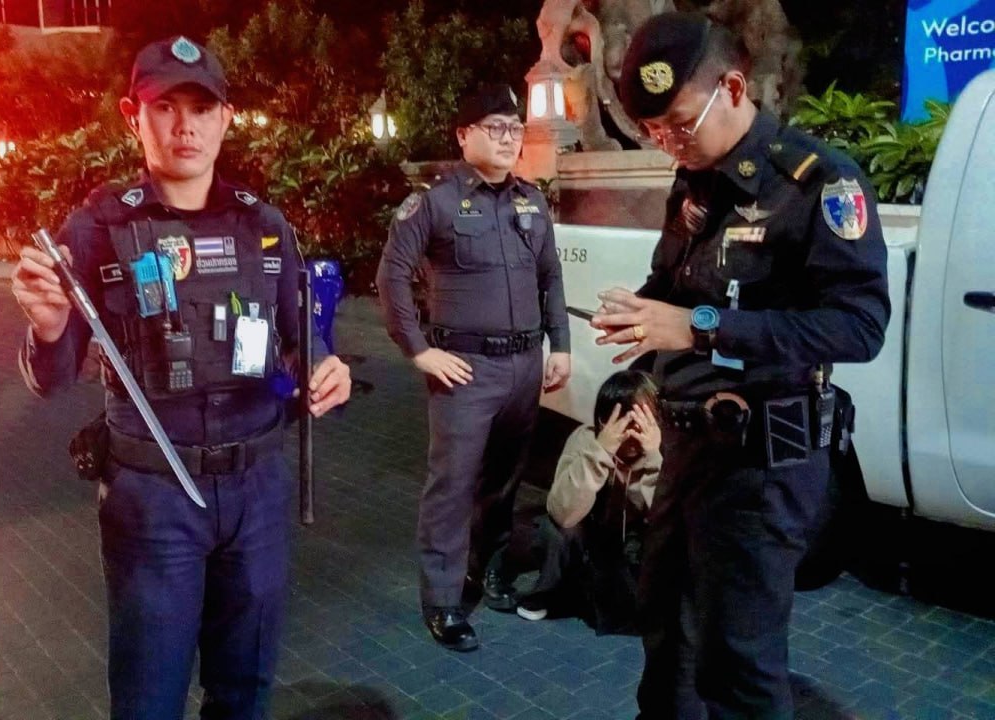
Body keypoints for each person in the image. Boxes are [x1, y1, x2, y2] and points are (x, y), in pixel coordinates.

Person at [10, 36, 352, 720]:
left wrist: (324, 368)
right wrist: (47, 327)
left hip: (257, 492)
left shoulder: (264, 224)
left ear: (227, 118)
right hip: (153, 499)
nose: (185, 126)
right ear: (132, 116)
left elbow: (300, 339)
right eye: (165, 107)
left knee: (244, 693)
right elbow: (51, 377)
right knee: (148, 699)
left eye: (201, 108)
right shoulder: (99, 227)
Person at [592, 12, 890, 719]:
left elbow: (859, 326)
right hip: (688, 448)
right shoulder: (694, 183)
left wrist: (698, 328)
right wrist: (641, 310)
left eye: (679, 125)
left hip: (761, 464)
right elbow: (676, 283)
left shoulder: (816, 183)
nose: (667, 143)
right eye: (652, 130)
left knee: (739, 666)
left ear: (731, 88)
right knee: (666, 634)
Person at [376, 83, 572, 652]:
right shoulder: (434, 204)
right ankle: (442, 600)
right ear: (464, 135)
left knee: (505, 482)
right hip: (465, 372)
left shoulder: (531, 201)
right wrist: (419, 350)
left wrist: (560, 345)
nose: (509, 139)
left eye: (515, 128)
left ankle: (488, 570)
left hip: (524, 368)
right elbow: (391, 276)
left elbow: (551, 276)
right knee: (453, 485)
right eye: (495, 127)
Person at [515, 370, 661, 635]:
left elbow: (668, 521)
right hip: (591, 536)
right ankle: (549, 591)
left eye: (641, 420)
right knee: (555, 529)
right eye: (624, 420)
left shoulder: (664, 449)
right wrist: (600, 452)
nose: (632, 433)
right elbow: (563, 514)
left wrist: (653, 459)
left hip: (633, 546)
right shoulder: (585, 439)